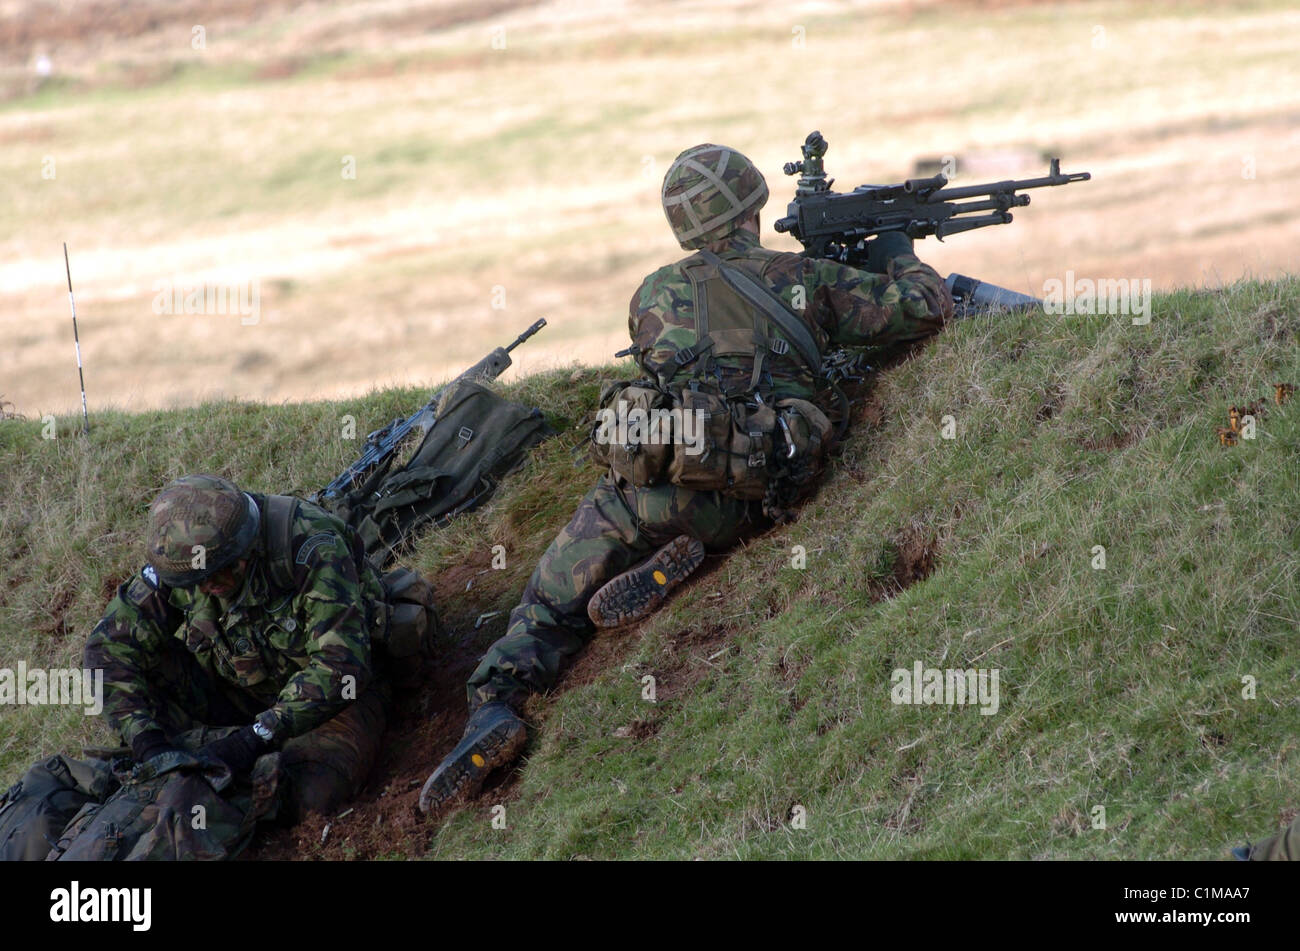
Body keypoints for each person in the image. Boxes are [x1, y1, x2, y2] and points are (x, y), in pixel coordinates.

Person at [418, 142, 954, 815]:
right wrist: (898, 251)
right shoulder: (806, 278)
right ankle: (695, 559)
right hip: (756, 492)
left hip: (647, 490)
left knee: (547, 600)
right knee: (741, 496)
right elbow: (925, 306)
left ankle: (494, 705)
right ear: (754, 206)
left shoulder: (650, 293)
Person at [1, 473, 436, 859]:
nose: (206, 590)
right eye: (192, 583)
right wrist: (147, 741)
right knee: (142, 685)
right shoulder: (180, 564)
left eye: (214, 577)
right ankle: (177, 777)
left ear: (242, 550)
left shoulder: (310, 544)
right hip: (236, 684)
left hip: (333, 700)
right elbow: (107, 649)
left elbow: (341, 667)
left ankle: (233, 784)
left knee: (312, 794)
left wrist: (256, 738)